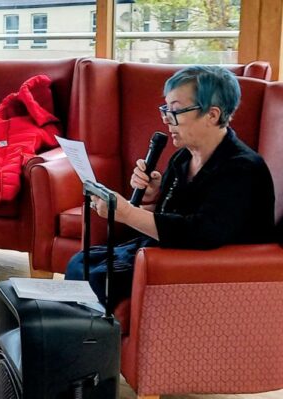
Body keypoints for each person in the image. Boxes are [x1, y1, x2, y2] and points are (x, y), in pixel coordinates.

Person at [65, 66, 277, 305]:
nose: (166, 119)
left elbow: (201, 233)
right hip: (166, 251)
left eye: (175, 111)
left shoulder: (242, 168)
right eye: (166, 109)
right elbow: (171, 215)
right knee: (80, 262)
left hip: (206, 265)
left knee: (98, 278)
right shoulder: (183, 157)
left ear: (212, 115)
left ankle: (88, 338)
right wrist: (153, 197)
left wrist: (126, 213)